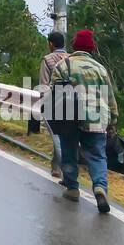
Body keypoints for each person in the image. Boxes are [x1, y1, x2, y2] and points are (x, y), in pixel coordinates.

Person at [48, 29, 117, 213]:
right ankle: (100, 187)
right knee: (97, 154)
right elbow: (110, 97)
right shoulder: (100, 69)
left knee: (69, 151)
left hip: (71, 115)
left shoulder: (64, 66)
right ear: (91, 49)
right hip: (96, 116)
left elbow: (53, 92)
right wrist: (113, 119)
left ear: (75, 46)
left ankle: (72, 188)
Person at [38, 31, 70, 179]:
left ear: (51, 44)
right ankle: (56, 168)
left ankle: (65, 168)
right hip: (72, 104)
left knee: (57, 136)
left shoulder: (47, 60)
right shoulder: (71, 59)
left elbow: (44, 85)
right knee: (63, 135)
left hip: (54, 103)